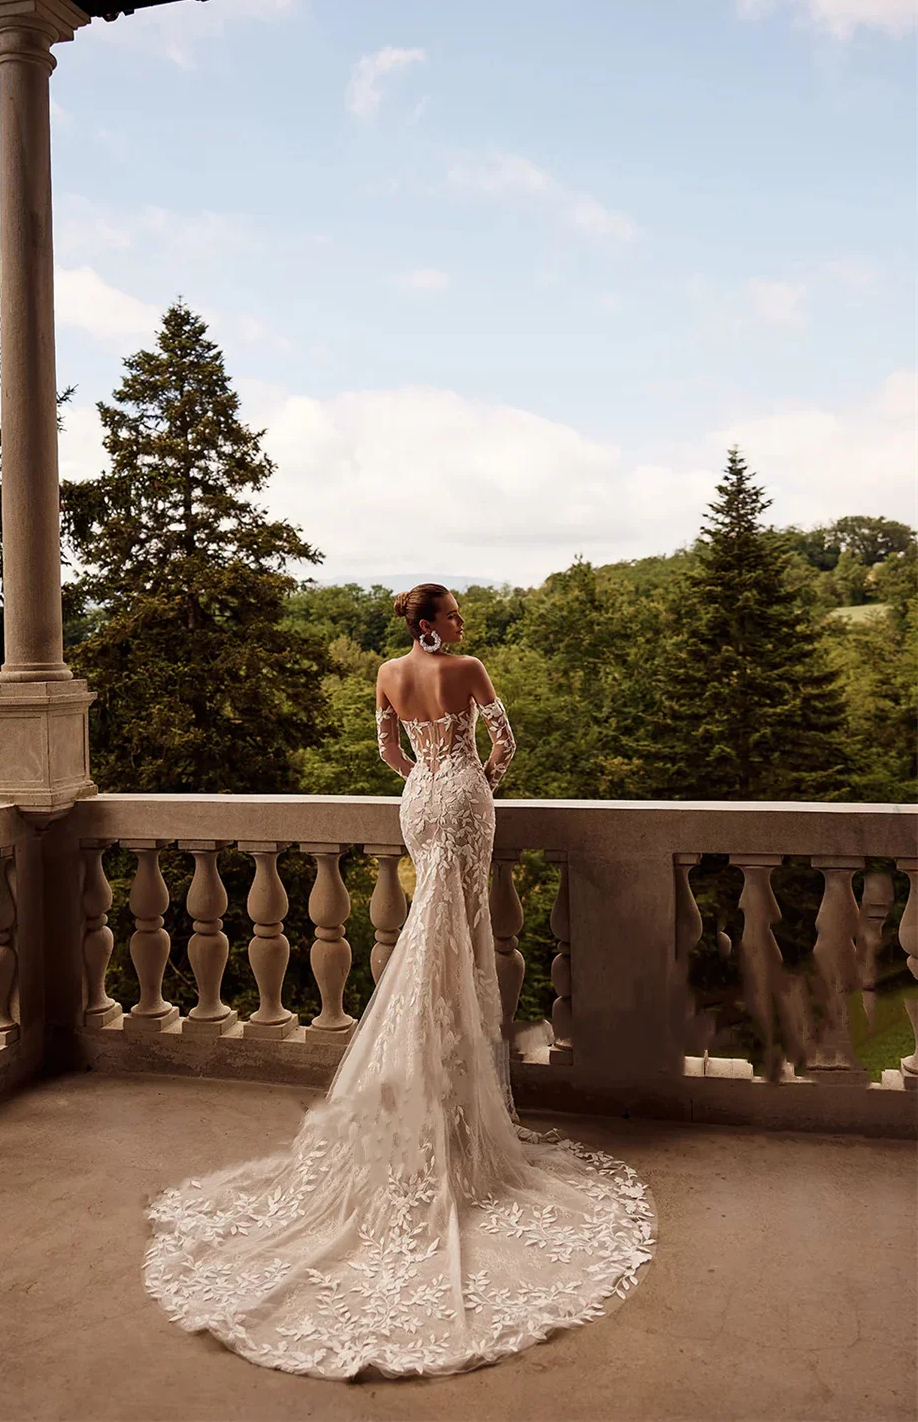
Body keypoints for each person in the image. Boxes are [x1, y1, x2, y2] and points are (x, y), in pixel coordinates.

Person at [143, 583, 655, 1379]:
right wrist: (473, 774)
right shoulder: (472, 667)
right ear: (433, 623)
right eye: (453, 615)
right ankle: (455, 1109)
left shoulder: (387, 671)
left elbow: (387, 750)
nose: (462, 624)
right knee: (460, 938)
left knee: (430, 936)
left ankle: (420, 1099)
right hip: (463, 798)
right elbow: (506, 745)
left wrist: (426, 770)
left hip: (417, 799)